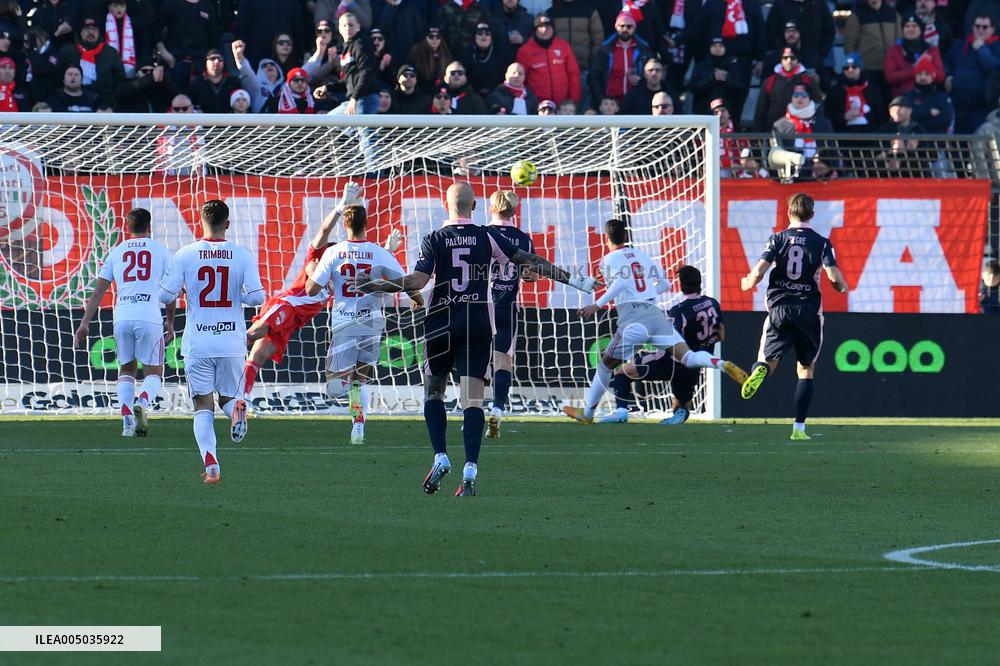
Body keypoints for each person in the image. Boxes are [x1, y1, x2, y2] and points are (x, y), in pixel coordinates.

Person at [353, 182, 598, 497]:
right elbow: (531, 263)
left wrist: (376, 286)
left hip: (441, 323)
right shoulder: (489, 236)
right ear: (476, 205)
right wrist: (578, 280)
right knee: (472, 399)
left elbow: (417, 280)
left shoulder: (435, 238)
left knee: (434, 393)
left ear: (446, 204)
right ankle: (471, 466)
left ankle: (440, 456)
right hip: (479, 324)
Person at [563, 219, 748, 425]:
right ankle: (721, 364)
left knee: (606, 365)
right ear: (626, 236)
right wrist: (648, 295)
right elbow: (665, 283)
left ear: (606, 239)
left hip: (634, 320)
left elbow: (621, 282)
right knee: (688, 357)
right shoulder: (642, 256)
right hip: (655, 316)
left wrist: (596, 305)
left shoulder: (608, 260)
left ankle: (587, 414)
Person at [158, 200, 266, 484]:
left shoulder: (186, 254)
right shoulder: (241, 254)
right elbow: (257, 298)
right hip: (232, 341)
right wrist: (235, 297)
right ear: (227, 224)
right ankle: (237, 411)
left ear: (201, 221)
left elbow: (164, 296)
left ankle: (211, 464)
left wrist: (184, 289)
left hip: (199, 342)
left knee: (202, 405)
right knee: (229, 398)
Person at [240, 184, 357, 439]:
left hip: (293, 323)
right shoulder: (315, 258)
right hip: (286, 306)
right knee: (255, 332)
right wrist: (340, 206)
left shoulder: (338, 276)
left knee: (257, 357)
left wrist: (389, 251)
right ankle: (220, 346)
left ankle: (242, 399)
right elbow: (324, 231)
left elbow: (367, 272)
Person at [303, 202, 416, 445]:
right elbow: (406, 283)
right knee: (360, 378)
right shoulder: (379, 252)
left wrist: (323, 279)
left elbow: (311, 289)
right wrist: (414, 299)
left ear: (344, 225)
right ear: (366, 224)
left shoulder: (333, 253)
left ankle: (356, 418)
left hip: (344, 321)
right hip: (372, 322)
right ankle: (358, 424)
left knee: (336, 383)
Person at [739, 192, 848, 441]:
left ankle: (761, 371)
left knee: (769, 360)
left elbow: (758, 272)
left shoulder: (777, 239)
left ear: (788, 212)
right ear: (812, 214)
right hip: (808, 310)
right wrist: (841, 287)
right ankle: (798, 429)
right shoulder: (822, 242)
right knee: (806, 368)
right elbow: (833, 277)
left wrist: (747, 282)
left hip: (779, 308)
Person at [74, 208, 174, 438]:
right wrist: (169, 321)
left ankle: (127, 422)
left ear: (127, 227)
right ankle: (143, 401)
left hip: (122, 316)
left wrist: (84, 323)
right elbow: (171, 290)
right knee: (154, 372)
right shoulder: (161, 251)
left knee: (126, 370)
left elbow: (99, 290)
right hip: (149, 316)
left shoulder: (116, 251)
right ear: (150, 226)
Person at [598, 265, 724, 425]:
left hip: (674, 361)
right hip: (697, 363)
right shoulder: (712, 303)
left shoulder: (678, 310)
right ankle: (681, 412)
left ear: (680, 284)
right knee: (680, 403)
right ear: (700, 282)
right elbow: (721, 333)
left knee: (622, 371)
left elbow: (671, 341)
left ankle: (621, 411)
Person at [484, 190, 535, 438]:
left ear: (491, 208)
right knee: (503, 361)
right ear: (514, 211)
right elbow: (532, 275)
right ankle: (497, 409)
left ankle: (472, 414)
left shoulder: (481, 233)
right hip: (507, 306)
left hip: (480, 305)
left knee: (474, 361)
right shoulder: (523, 239)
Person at [944, 13, 1000, 133]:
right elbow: (945, 62)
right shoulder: (959, 45)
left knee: (978, 149)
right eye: (977, 26)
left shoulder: (997, 46)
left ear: (992, 29)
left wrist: (981, 49)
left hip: (982, 111)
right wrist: (947, 76)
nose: (980, 30)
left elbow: (995, 68)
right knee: (957, 148)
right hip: (957, 109)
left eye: (984, 27)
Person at [587, 12, 651, 111]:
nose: (625, 29)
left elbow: (651, 72)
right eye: (622, 26)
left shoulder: (643, 49)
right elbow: (593, 76)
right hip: (610, 102)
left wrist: (641, 80)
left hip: (634, 100)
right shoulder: (605, 49)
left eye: (629, 26)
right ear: (616, 27)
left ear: (634, 28)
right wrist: (601, 99)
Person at [516, 14, 581, 106]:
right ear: (534, 30)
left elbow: (573, 74)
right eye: (541, 27)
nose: (545, 30)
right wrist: (529, 102)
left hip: (562, 106)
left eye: (548, 27)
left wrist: (573, 100)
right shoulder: (525, 51)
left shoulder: (563, 46)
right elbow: (520, 80)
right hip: (537, 106)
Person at [328, 13, 381, 115]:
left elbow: (366, 72)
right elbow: (349, 81)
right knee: (329, 122)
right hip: (353, 100)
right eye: (344, 25)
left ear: (358, 27)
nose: (347, 28)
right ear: (339, 28)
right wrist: (328, 88)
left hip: (365, 99)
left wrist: (354, 98)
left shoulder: (360, 44)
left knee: (365, 131)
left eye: (351, 25)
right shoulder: (345, 48)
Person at [885, 15, 945, 98]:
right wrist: (915, 72)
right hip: (902, 98)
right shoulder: (893, 51)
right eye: (907, 26)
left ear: (921, 29)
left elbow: (940, 75)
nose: (910, 29)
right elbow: (890, 77)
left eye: (914, 26)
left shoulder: (931, 50)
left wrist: (925, 73)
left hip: (928, 98)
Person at [688, 36, 748, 114]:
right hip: (703, 111)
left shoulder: (734, 66)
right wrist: (712, 77)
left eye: (720, 46)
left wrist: (726, 78)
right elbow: (693, 87)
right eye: (714, 46)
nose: (717, 48)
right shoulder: (701, 66)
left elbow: (741, 87)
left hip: (728, 111)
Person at [185, 49, 243, 114]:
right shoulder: (196, 84)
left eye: (220, 59)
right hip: (203, 122)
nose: (216, 61)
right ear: (206, 62)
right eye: (212, 58)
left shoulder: (234, 83)